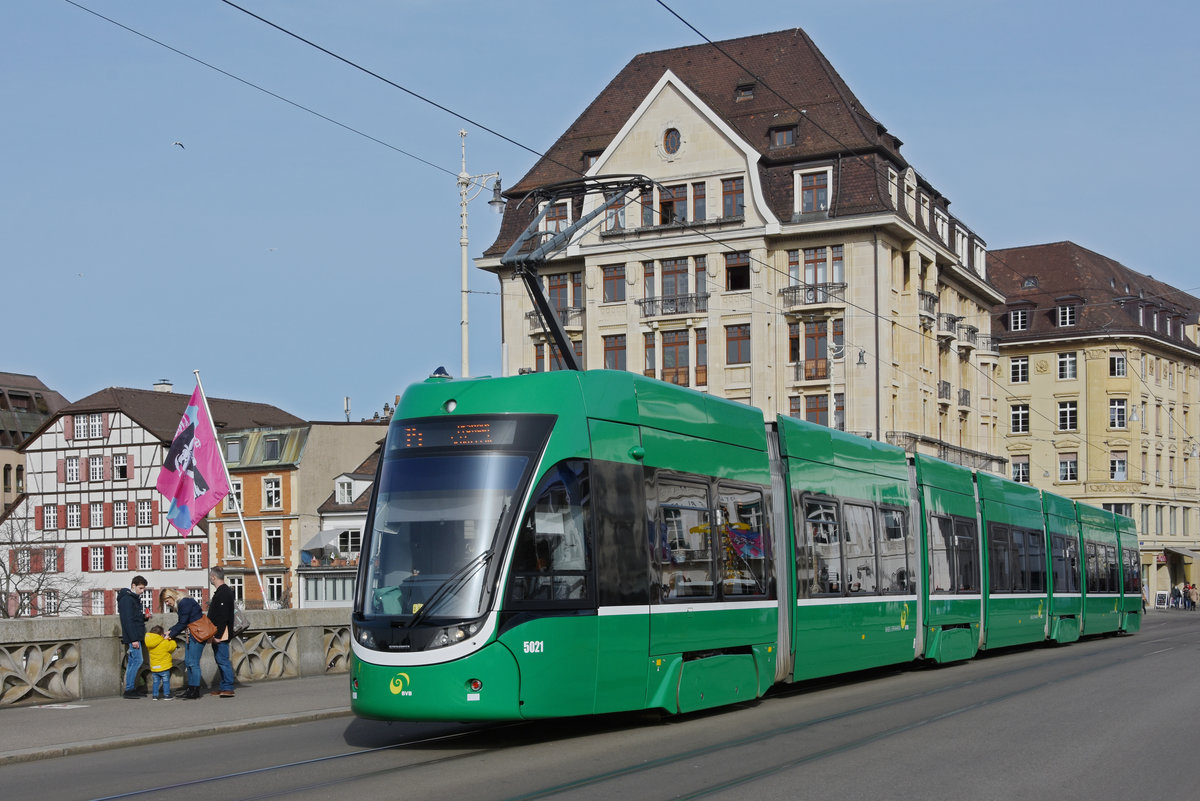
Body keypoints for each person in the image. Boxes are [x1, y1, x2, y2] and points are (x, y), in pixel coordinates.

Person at [161, 588, 204, 700]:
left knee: (193, 663)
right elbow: (183, 622)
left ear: (172, 596)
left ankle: (195, 690)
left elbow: (183, 622)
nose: (167, 604)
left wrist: (171, 634)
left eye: (167, 600)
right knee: (189, 662)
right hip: (193, 633)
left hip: (197, 634)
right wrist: (170, 631)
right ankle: (191, 688)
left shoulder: (184, 602)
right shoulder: (183, 602)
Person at [117, 575, 149, 699]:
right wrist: (134, 639)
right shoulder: (127, 599)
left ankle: (130, 688)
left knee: (133, 661)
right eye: (140, 588)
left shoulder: (131, 598)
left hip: (135, 635)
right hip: (133, 636)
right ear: (133, 586)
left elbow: (134, 617)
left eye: (143, 589)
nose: (142, 591)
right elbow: (128, 621)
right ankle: (129, 689)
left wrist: (144, 617)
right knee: (137, 661)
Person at [207, 567, 236, 698]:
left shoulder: (223, 592)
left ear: (213, 577)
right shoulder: (223, 591)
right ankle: (224, 686)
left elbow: (223, 616)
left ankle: (228, 687)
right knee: (220, 660)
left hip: (221, 633)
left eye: (210, 577)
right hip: (219, 632)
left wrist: (218, 635)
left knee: (223, 660)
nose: (210, 579)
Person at [144, 625, 177, 700]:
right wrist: (169, 639)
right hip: (164, 667)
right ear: (161, 635)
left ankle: (155, 695)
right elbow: (173, 646)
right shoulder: (164, 642)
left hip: (154, 667)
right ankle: (166, 695)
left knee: (156, 682)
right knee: (166, 681)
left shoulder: (149, 643)